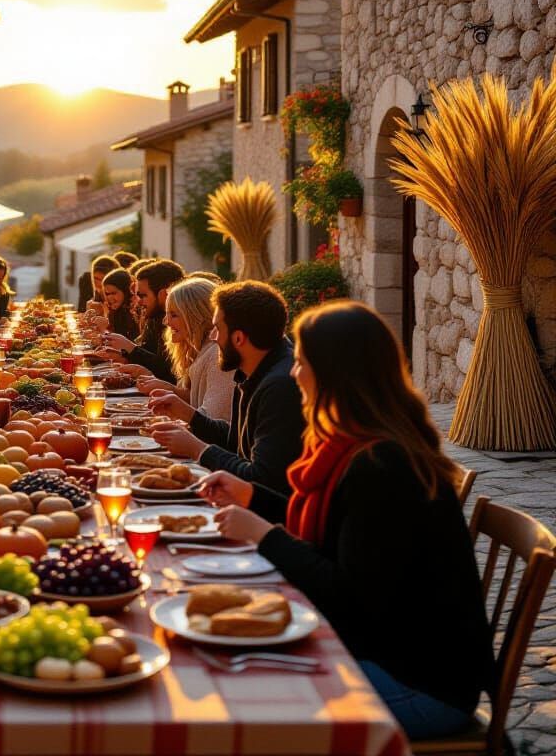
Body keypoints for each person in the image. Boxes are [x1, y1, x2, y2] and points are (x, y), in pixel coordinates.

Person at [198, 301, 494, 741]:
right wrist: (252, 496)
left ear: (336, 373)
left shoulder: (383, 467)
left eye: (302, 363)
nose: (294, 373)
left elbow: (349, 596)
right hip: (384, 651)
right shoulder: (360, 445)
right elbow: (341, 534)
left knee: (240, 694)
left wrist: (264, 536)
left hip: (420, 683)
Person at [149, 280, 304, 494]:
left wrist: (198, 449)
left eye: (217, 329)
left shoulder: (280, 386)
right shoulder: (252, 370)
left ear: (238, 338)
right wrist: (189, 415)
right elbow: (235, 442)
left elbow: (260, 479)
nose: (213, 337)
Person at [138, 277, 234, 420]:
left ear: (197, 316)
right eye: (167, 314)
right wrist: (171, 390)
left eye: (174, 315)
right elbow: (196, 399)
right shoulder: (200, 349)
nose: (166, 321)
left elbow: (213, 418)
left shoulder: (216, 355)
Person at [101, 259, 184, 383]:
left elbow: (169, 372)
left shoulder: (178, 323)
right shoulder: (154, 318)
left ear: (163, 294)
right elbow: (147, 353)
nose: (138, 301)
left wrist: (130, 348)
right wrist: (124, 355)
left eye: (143, 295)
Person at [100, 268, 138, 339]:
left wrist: (103, 329)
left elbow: (122, 341)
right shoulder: (115, 311)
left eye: (114, 293)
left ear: (126, 291)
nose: (110, 298)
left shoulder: (134, 312)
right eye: (107, 294)